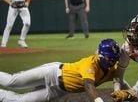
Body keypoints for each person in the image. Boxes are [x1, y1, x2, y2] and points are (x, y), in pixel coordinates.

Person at [0, 38, 129, 102]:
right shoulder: (90, 63)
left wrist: (131, 92)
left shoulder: (112, 68)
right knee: (12, 81)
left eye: (114, 59)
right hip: (52, 73)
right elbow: (88, 85)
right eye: (110, 59)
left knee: (20, 101)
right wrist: (99, 101)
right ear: (101, 56)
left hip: (59, 91)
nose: (113, 62)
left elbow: (120, 80)